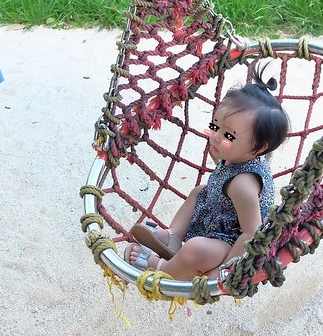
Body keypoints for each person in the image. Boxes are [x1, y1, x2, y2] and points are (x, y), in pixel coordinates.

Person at [124, 63, 290, 281]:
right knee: (198, 192)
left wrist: (224, 272)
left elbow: (252, 234)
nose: (216, 136)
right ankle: (173, 237)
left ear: (258, 148)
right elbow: (221, 171)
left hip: (230, 241)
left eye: (229, 135)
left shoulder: (243, 185)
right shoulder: (238, 155)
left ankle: (158, 266)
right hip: (217, 215)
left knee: (195, 249)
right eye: (215, 126)